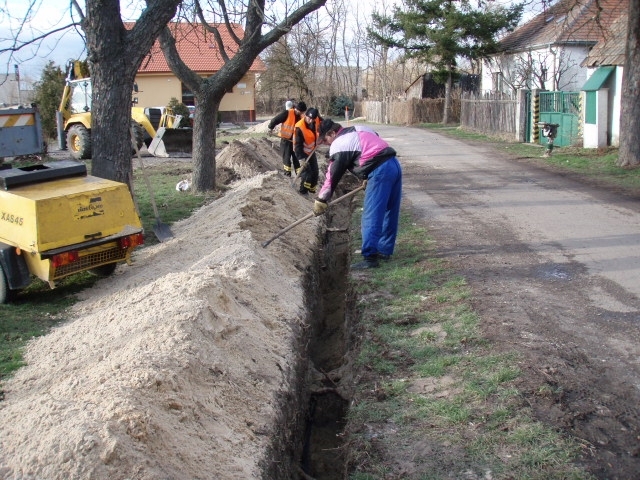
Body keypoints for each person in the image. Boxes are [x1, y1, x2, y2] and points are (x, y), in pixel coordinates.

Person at [314, 119, 402, 270]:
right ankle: (384, 250)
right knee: (389, 210)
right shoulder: (360, 128)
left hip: (379, 172)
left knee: (371, 214)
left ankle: (370, 258)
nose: (326, 144)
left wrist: (321, 200)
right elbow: (372, 144)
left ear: (332, 133)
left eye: (326, 140)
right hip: (393, 164)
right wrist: (366, 174)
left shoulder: (339, 144)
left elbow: (332, 177)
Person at [268, 101, 307, 176]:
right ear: (297, 109)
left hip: (296, 141)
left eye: (303, 112)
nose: (302, 113)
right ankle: (287, 174)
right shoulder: (288, 113)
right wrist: (270, 128)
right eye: (301, 112)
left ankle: (300, 175)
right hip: (286, 140)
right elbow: (275, 120)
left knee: (297, 158)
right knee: (286, 158)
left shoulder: (302, 117)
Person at [293, 107, 322, 195]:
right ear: (305, 115)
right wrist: (301, 159)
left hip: (311, 151)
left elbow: (324, 125)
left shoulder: (315, 121)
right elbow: (298, 145)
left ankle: (312, 190)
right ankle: (303, 191)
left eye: (313, 119)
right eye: (309, 118)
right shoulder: (299, 127)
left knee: (315, 171)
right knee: (307, 173)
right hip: (301, 152)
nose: (311, 120)